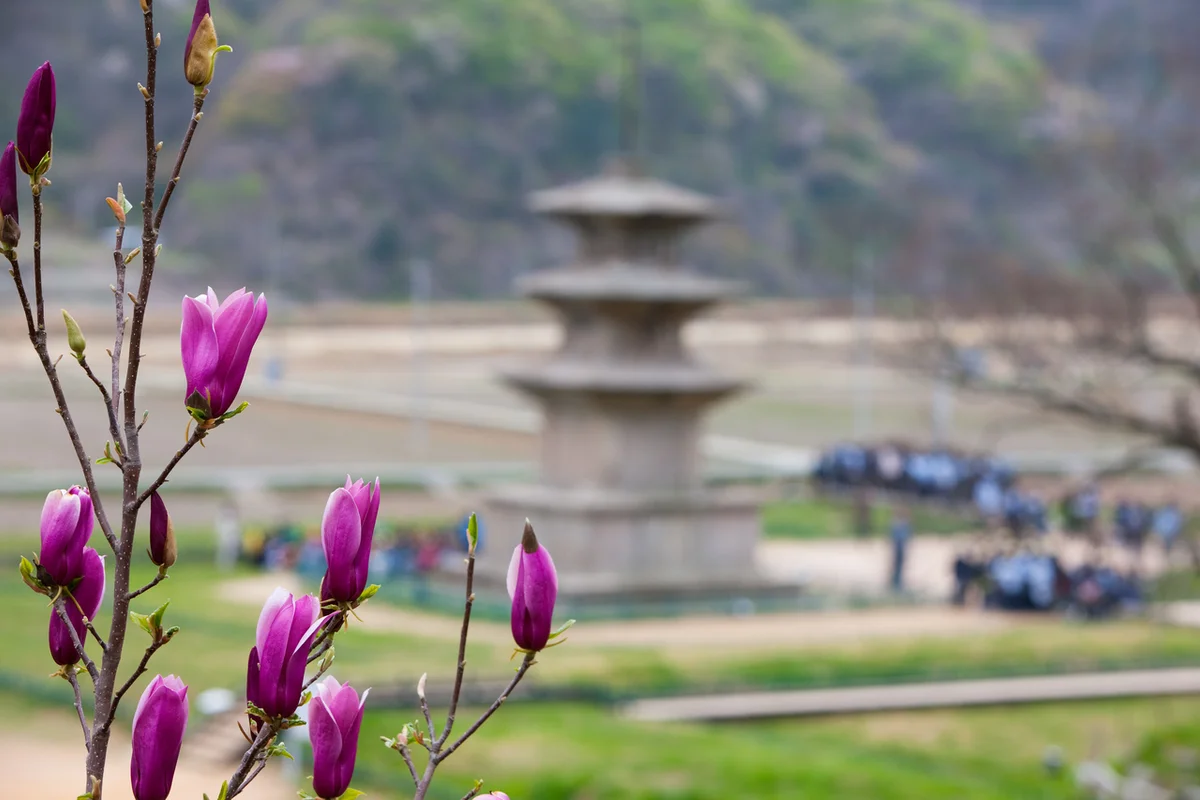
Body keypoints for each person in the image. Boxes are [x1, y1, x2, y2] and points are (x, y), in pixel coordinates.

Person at [215, 500, 242, 572]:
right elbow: (218, 527)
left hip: (233, 536)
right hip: (224, 536)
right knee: (223, 552)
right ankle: (223, 567)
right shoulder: (221, 517)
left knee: (232, 552)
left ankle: (230, 566)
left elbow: (237, 527)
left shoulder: (233, 518)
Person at [889, 507, 912, 592]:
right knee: (897, 566)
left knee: (899, 567)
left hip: (900, 549)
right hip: (898, 549)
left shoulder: (901, 525)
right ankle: (896, 584)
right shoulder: (899, 525)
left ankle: (897, 583)